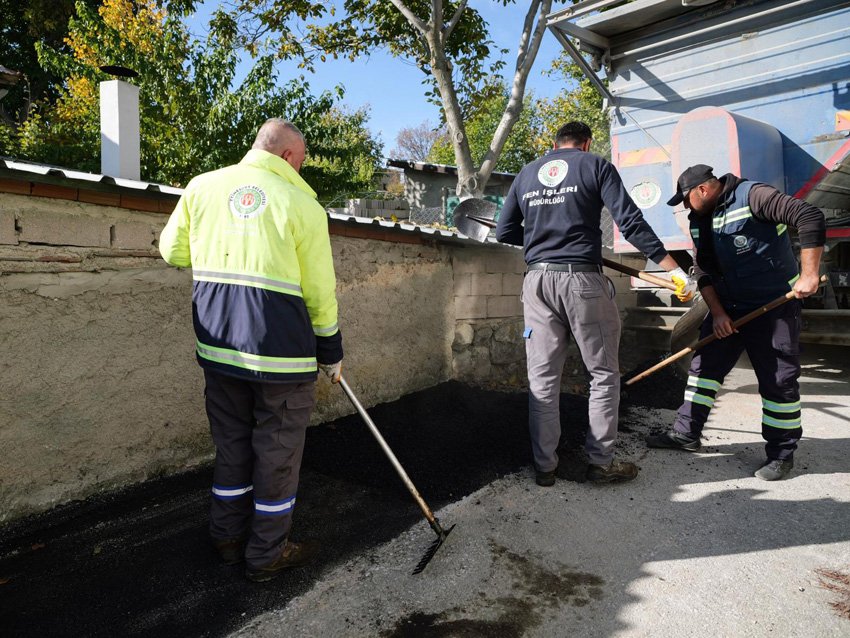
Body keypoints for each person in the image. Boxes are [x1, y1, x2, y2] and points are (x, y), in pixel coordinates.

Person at [159, 119, 343, 581]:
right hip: (281, 356)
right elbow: (320, 289)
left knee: (233, 446)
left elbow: (173, 253)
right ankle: (266, 554)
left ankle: (226, 537)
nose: (301, 170)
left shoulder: (202, 187)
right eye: (300, 162)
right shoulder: (302, 205)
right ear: (286, 156)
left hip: (219, 348)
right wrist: (331, 349)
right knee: (277, 453)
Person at [496, 121, 694, 487]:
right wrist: (672, 269)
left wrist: (543, 239)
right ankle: (601, 463)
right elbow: (630, 222)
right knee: (602, 375)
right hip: (581, 280)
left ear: (555, 145)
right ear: (585, 144)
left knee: (541, 380)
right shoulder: (595, 165)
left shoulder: (526, 175)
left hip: (536, 282)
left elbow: (504, 231)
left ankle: (545, 468)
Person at [646, 165, 825, 481]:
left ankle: (781, 455)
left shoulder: (755, 196)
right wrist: (717, 313)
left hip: (772, 308)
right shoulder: (698, 221)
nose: (685, 207)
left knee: (777, 380)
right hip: (728, 307)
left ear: (704, 189)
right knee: (703, 370)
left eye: (686, 199)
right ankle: (686, 434)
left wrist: (809, 274)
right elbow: (703, 270)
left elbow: (809, 216)